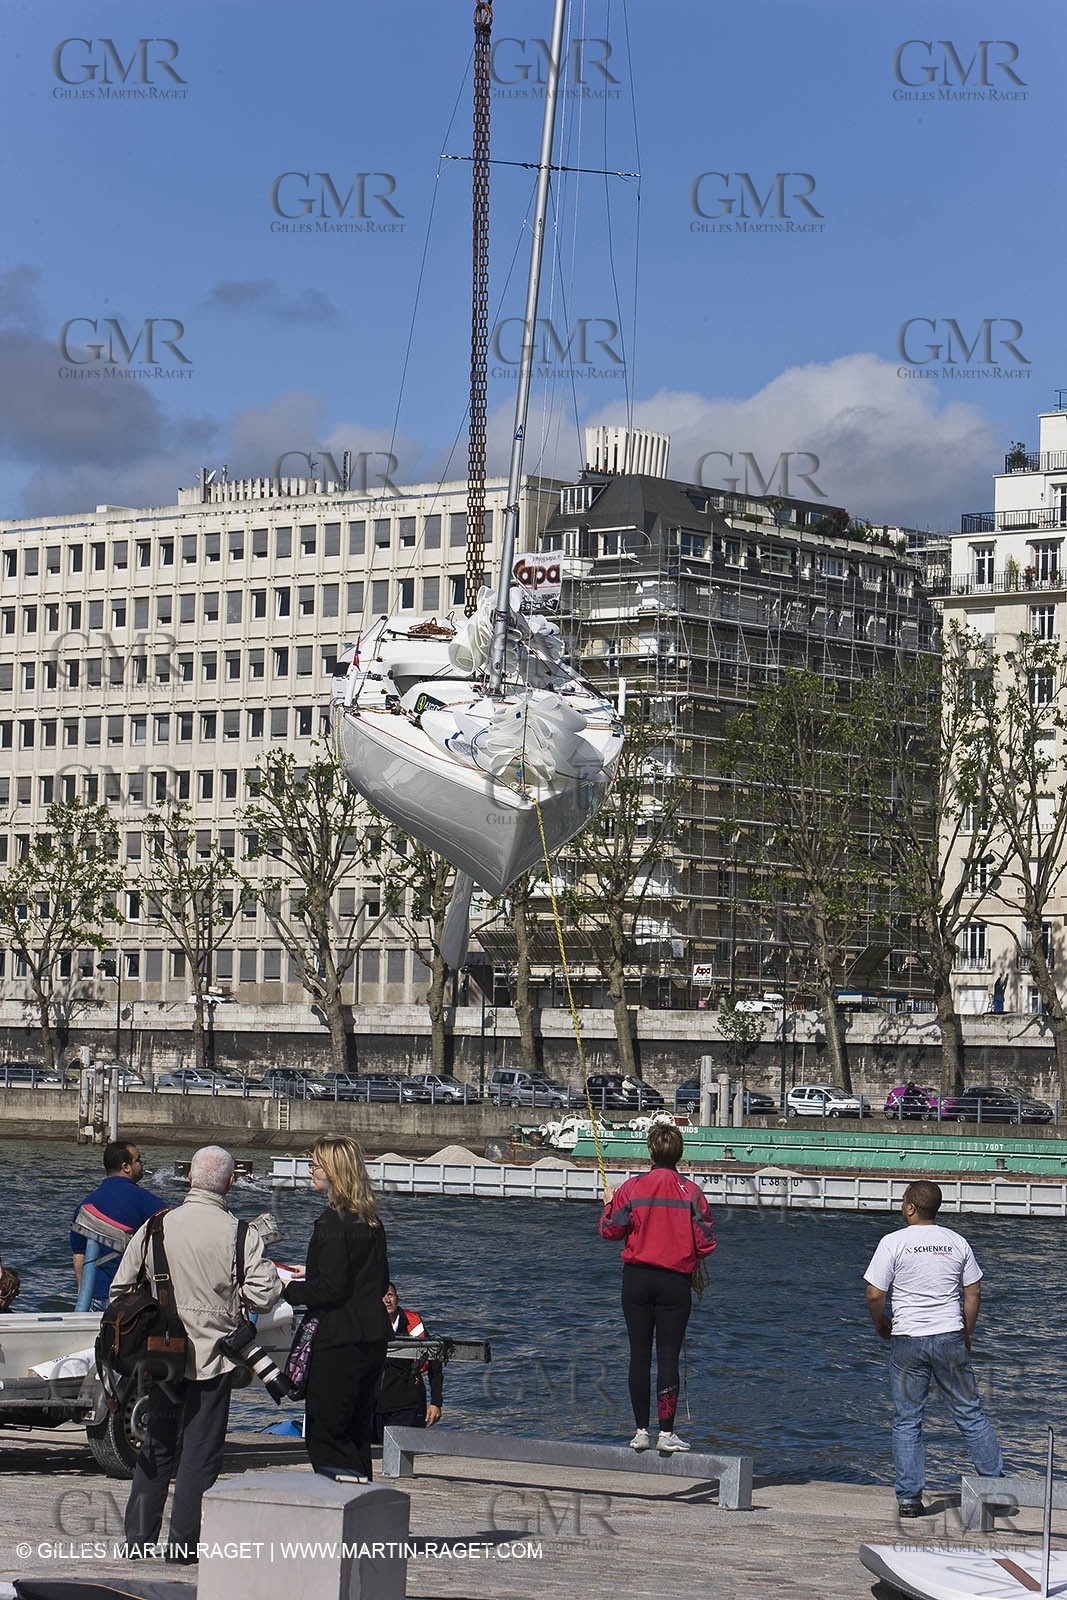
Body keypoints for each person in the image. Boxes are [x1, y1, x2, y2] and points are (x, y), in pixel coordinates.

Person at [113, 1145, 282, 1563]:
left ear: (189, 1177)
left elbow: (120, 1288)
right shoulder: (241, 1234)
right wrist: (234, 1292)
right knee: (200, 1456)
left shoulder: (156, 1226)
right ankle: (183, 1546)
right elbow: (267, 1294)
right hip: (214, 1356)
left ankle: (137, 1541)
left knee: (156, 1447)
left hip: (161, 1356)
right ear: (229, 1183)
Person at [864, 1179, 1004, 1518]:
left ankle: (910, 1500)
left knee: (908, 1419)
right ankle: (995, 1493)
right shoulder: (956, 1242)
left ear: (910, 1207)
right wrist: (966, 1332)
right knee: (970, 1412)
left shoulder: (893, 1242)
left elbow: (873, 1294)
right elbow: (973, 1293)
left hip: (907, 1339)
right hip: (949, 1336)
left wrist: (881, 1323)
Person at [599, 1122, 716, 1454]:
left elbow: (609, 1231)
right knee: (668, 1357)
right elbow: (706, 1243)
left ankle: (640, 1431)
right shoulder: (691, 1192)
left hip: (636, 1280)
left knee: (638, 1355)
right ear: (679, 1153)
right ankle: (666, 1433)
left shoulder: (631, 1188)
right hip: (674, 1284)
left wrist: (608, 1203)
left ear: (651, 1152)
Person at [284, 1135, 391, 1483]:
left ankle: (338, 1510)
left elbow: (330, 1289)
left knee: (325, 1434)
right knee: (357, 1431)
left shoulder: (331, 1223)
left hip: (338, 1341)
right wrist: (311, 1272)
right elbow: (373, 1280)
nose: (310, 1170)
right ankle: (363, 1510)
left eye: (315, 1163)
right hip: (371, 1338)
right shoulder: (370, 1220)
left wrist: (288, 1289)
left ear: (334, 1170)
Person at [70, 1141, 166, 1309]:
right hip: (129, 1297)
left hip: (94, 1295)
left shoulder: (85, 1205)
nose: (142, 1163)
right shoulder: (147, 1202)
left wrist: (83, 1295)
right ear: (126, 1167)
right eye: (138, 1159)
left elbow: (79, 1256)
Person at [374, 1282, 443, 1440]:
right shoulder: (365, 1325)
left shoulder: (414, 1325)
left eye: (390, 1295)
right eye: (382, 1297)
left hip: (408, 1405)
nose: (387, 1300)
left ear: (397, 1298)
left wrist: (436, 1402)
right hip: (372, 1407)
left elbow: (435, 1363)